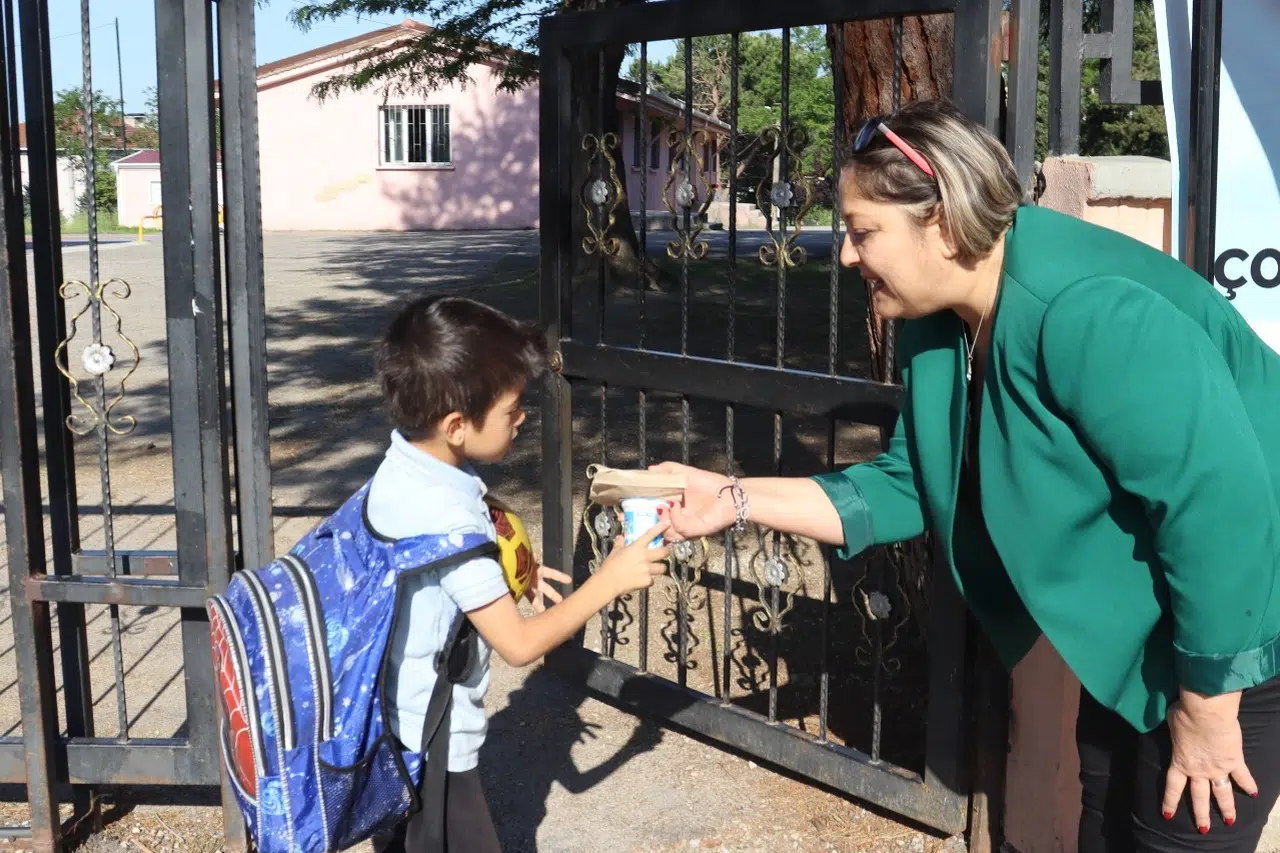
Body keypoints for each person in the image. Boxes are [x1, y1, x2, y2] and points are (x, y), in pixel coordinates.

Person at [653, 100, 1280, 853]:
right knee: (1106, 825)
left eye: (863, 231)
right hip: (1143, 637)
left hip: (1239, 634)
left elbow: (1220, 509)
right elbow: (915, 482)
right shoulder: (941, 319)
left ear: (943, 222)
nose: (848, 255)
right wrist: (732, 499)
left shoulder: (1084, 311)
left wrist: (1209, 713)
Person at [369, 295, 670, 853]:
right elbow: (519, 645)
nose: (523, 418)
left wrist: (510, 570)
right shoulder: (450, 522)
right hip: (435, 747)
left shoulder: (401, 470)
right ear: (457, 425)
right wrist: (609, 578)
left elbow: (440, 572)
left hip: (395, 731)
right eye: (512, 410)